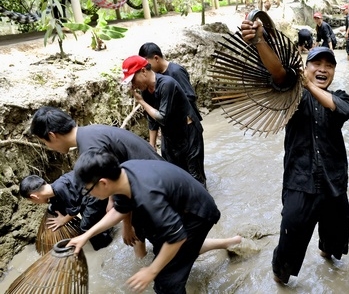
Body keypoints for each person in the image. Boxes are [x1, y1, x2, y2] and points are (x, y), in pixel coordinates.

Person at [240, 17, 349, 284]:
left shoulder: (341, 98)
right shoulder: (292, 94)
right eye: (317, 63)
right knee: (286, 261)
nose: (323, 69)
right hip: (299, 182)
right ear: (306, 67)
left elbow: (340, 109)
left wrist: (309, 84)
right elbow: (278, 71)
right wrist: (259, 41)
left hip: (333, 182)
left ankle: (327, 251)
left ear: (335, 72)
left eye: (329, 65)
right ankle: (280, 273)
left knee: (332, 248)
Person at [67, 149, 241, 293]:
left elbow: (177, 238)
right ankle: (231, 242)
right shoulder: (123, 173)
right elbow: (119, 210)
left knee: (166, 282)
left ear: (103, 183)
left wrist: (151, 271)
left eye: (88, 190)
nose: (89, 195)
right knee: (173, 252)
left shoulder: (147, 195)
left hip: (197, 215)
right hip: (180, 207)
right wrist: (86, 236)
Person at [29, 106, 165, 256]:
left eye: (45, 142)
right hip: (154, 177)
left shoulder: (90, 149)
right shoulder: (90, 134)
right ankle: (141, 262)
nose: (49, 147)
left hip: (155, 191)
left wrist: (126, 224)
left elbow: (122, 188)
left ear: (52, 135)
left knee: (168, 247)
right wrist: (112, 202)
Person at [122, 55, 207, 188]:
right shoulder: (146, 91)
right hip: (169, 137)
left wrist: (141, 102)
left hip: (188, 135)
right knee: (174, 178)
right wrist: (152, 144)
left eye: (133, 79)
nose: (133, 85)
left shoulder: (167, 84)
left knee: (196, 180)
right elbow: (152, 119)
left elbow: (162, 116)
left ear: (143, 71)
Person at [19, 172, 112, 250]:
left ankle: (105, 246)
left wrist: (63, 220)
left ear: (34, 197)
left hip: (95, 196)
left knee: (85, 226)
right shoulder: (55, 188)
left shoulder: (60, 188)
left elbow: (74, 210)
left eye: (31, 201)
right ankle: (107, 229)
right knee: (90, 218)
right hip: (88, 195)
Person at [138, 42, 203, 122]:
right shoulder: (155, 75)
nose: (147, 68)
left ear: (156, 58)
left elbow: (190, 96)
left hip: (187, 122)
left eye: (147, 64)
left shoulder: (176, 71)